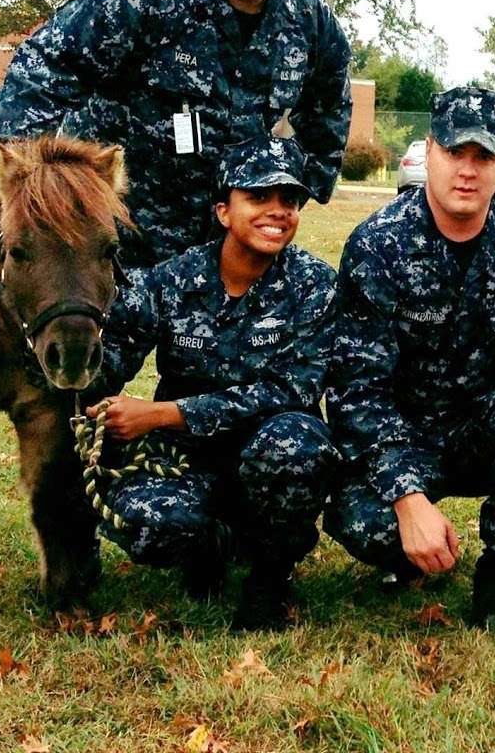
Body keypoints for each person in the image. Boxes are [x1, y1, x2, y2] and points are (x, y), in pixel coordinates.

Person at [0, 0, 352, 268]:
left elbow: (329, 107)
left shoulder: (309, 19)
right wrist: (22, 182)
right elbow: (44, 66)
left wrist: (289, 189)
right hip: (117, 244)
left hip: (224, 253)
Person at [324, 86, 495, 626]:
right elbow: (356, 392)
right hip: (403, 434)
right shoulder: (379, 245)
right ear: (429, 151)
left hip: (487, 432)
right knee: (364, 526)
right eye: (454, 152)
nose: (468, 171)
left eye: (483, 156)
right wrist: (408, 500)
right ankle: (407, 554)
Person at [84, 135, 340, 630]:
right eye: (259, 197)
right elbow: (108, 360)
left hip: (271, 455)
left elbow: (295, 389)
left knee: (298, 443)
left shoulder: (315, 284)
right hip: (186, 458)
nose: (277, 211)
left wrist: (161, 414)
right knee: (151, 526)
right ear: (224, 211)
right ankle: (210, 545)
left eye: (289, 200)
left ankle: (270, 576)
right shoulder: (170, 280)